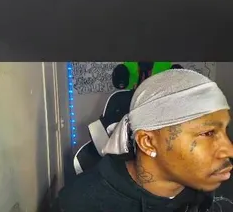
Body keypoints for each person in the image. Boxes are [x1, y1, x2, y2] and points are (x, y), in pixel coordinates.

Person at [57, 68, 232, 212]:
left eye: (225, 130)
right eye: (207, 133)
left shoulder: (220, 186)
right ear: (148, 142)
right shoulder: (80, 204)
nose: (229, 150)